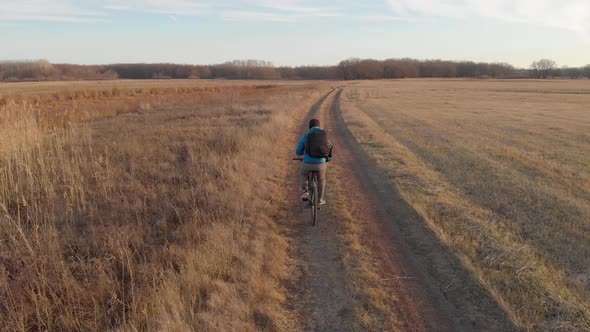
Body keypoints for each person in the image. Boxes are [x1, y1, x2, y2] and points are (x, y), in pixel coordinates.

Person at [296, 119, 333, 205]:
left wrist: (302, 154)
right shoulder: (324, 136)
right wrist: (328, 158)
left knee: (303, 174)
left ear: (309, 127)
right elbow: (330, 147)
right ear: (319, 127)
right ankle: (320, 199)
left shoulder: (306, 136)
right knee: (321, 179)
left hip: (307, 163)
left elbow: (298, 151)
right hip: (321, 164)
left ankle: (305, 191)